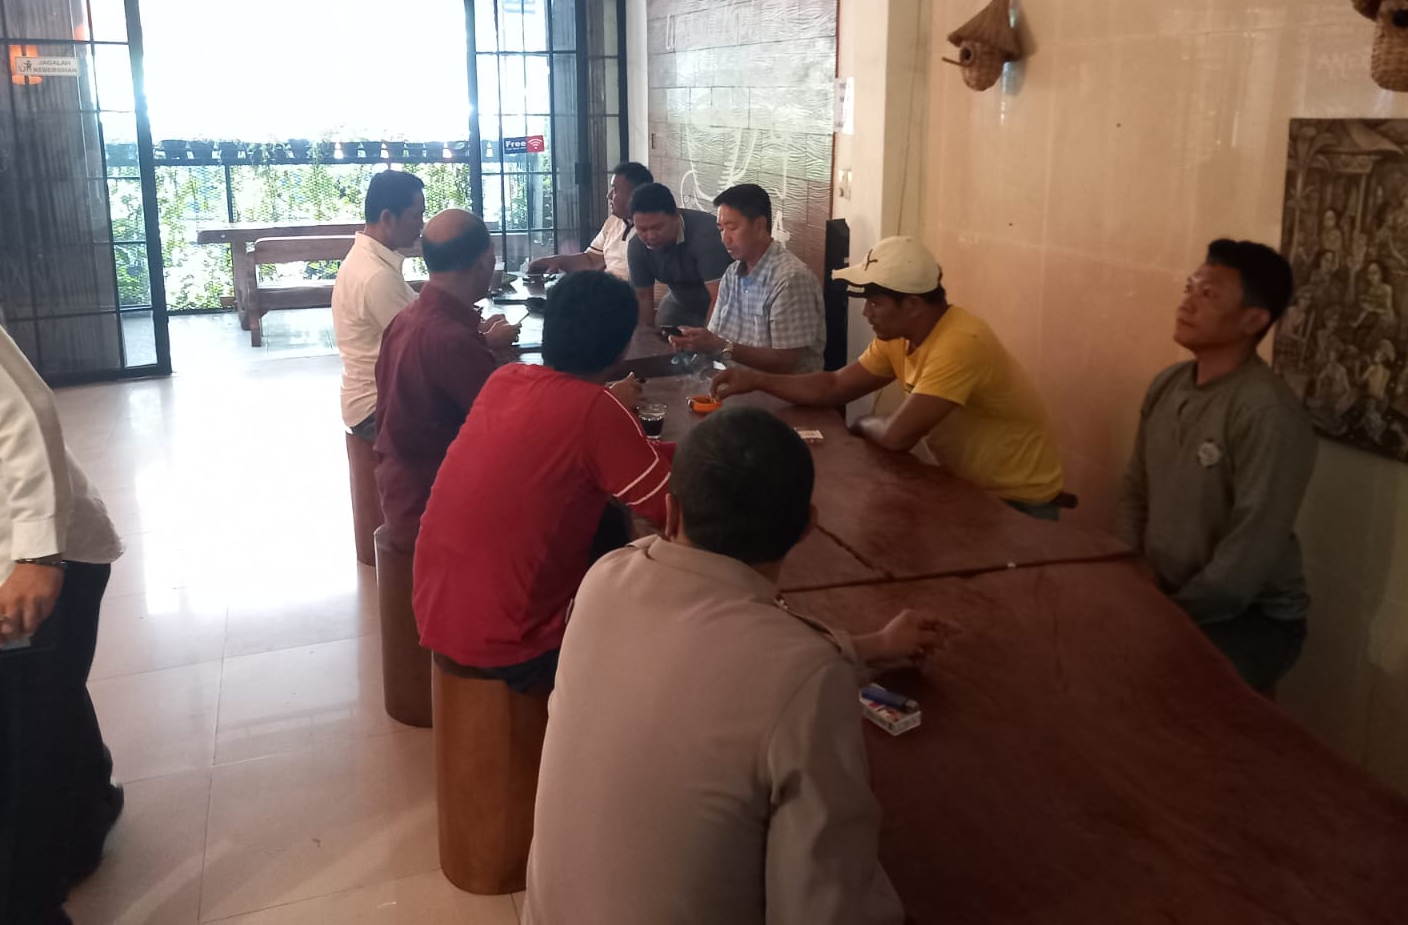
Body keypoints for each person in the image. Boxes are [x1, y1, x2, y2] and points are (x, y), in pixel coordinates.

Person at [525, 407, 953, 925]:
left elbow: (717, 654)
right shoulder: (805, 677)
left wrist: (869, 649)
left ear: (671, 512)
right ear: (807, 528)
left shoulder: (603, 580)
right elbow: (822, 909)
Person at [0, 262, 125, 924]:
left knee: (8, 756)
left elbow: (20, 407)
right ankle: (83, 818)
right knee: (34, 708)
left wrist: (36, 554)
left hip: (2, 573)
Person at [413, 270, 671, 691]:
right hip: (514, 644)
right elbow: (673, 509)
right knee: (665, 615)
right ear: (623, 348)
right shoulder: (596, 409)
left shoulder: (506, 380)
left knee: (606, 521)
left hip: (437, 610)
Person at [711, 236, 1065, 515]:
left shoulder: (960, 343)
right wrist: (756, 380)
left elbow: (897, 436)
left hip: (1016, 501)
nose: (866, 313)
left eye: (875, 303)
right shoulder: (898, 337)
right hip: (962, 487)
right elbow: (835, 385)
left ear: (912, 305)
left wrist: (864, 424)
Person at [1116, 239, 1317, 694]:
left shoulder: (1266, 412)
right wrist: (1131, 578)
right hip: (1164, 595)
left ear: (1253, 321)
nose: (1187, 303)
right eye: (1189, 287)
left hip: (1245, 617)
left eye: (1208, 295)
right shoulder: (1168, 385)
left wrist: (1161, 616)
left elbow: (1247, 556)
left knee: (1158, 694)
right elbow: (1134, 490)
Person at [373, 210, 519, 553]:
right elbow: (507, 430)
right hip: (432, 507)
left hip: (401, 492)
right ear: (484, 259)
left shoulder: (407, 319)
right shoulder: (450, 340)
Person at [668, 182, 826, 374]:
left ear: (759, 226)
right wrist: (696, 342)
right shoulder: (732, 274)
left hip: (780, 389)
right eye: (721, 229)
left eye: (732, 228)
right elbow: (716, 336)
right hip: (737, 382)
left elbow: (786, 362)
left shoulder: (790, 279)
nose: (724, 239)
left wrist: (721, 346)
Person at [332, 170, 427, 443]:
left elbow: (420, 315)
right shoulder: (377, 276)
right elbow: (424, 346)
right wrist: (485, 339)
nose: (421, 225)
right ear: (387, 218)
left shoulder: (368, 259)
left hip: (369, 401)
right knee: (470, 416)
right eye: (415, 216)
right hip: (377, 408)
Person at [626, 182, 732, 329]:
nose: (650, 236)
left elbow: (719, 297)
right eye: (642, 229)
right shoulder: (637, 246)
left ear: (676, 215)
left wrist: (706, 338)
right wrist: (646, 337)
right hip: (679, 301)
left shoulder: (707, 236)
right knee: (659, 335)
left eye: (657, 227)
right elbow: (643, 297)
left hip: (724, 304)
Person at [528, 162, 653, 281]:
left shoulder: (652, 230)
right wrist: (555, 261)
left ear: (635, 194)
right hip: (610, 290)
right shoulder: (613, 221)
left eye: (615, 190)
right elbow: (591, 260)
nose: (609, 196)